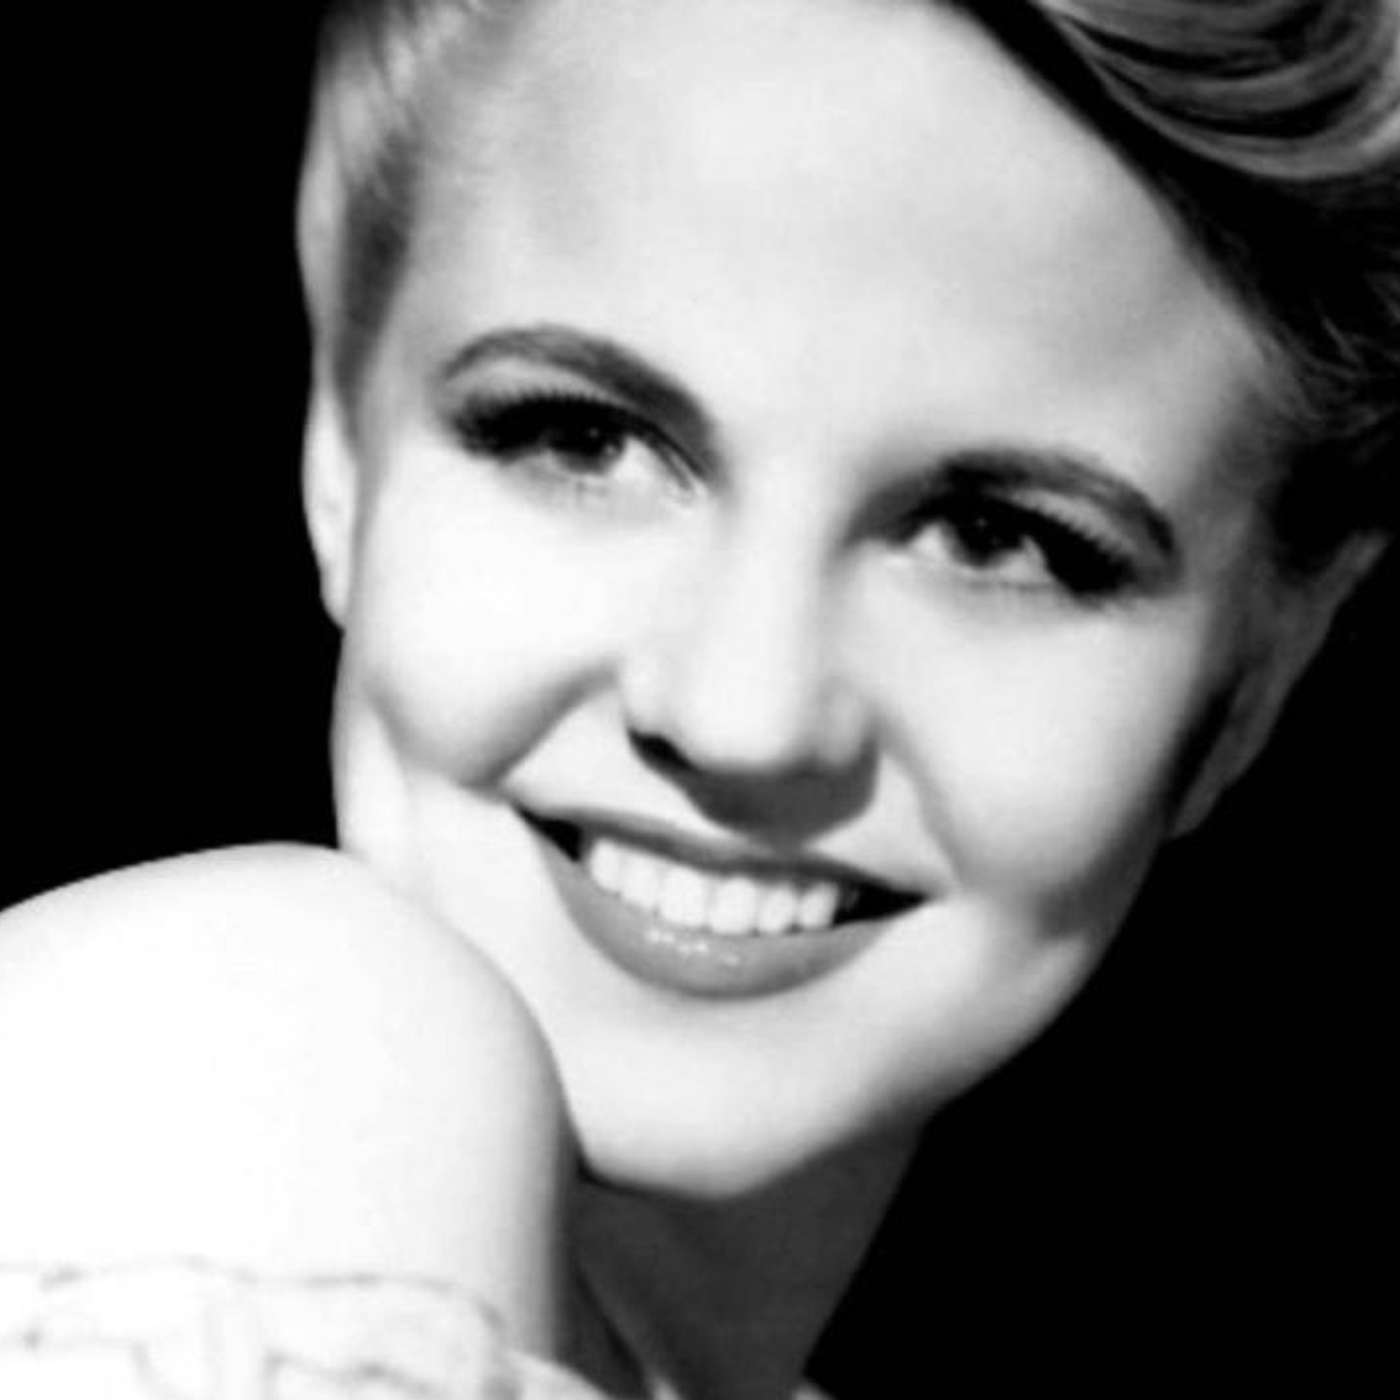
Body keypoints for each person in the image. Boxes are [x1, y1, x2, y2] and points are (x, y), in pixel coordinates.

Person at [2, 0, 1396, 1395]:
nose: (744, 716)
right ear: (341, 446)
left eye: (995, 540)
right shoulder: (231, 1030)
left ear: (1263, 663)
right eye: (582, 438)